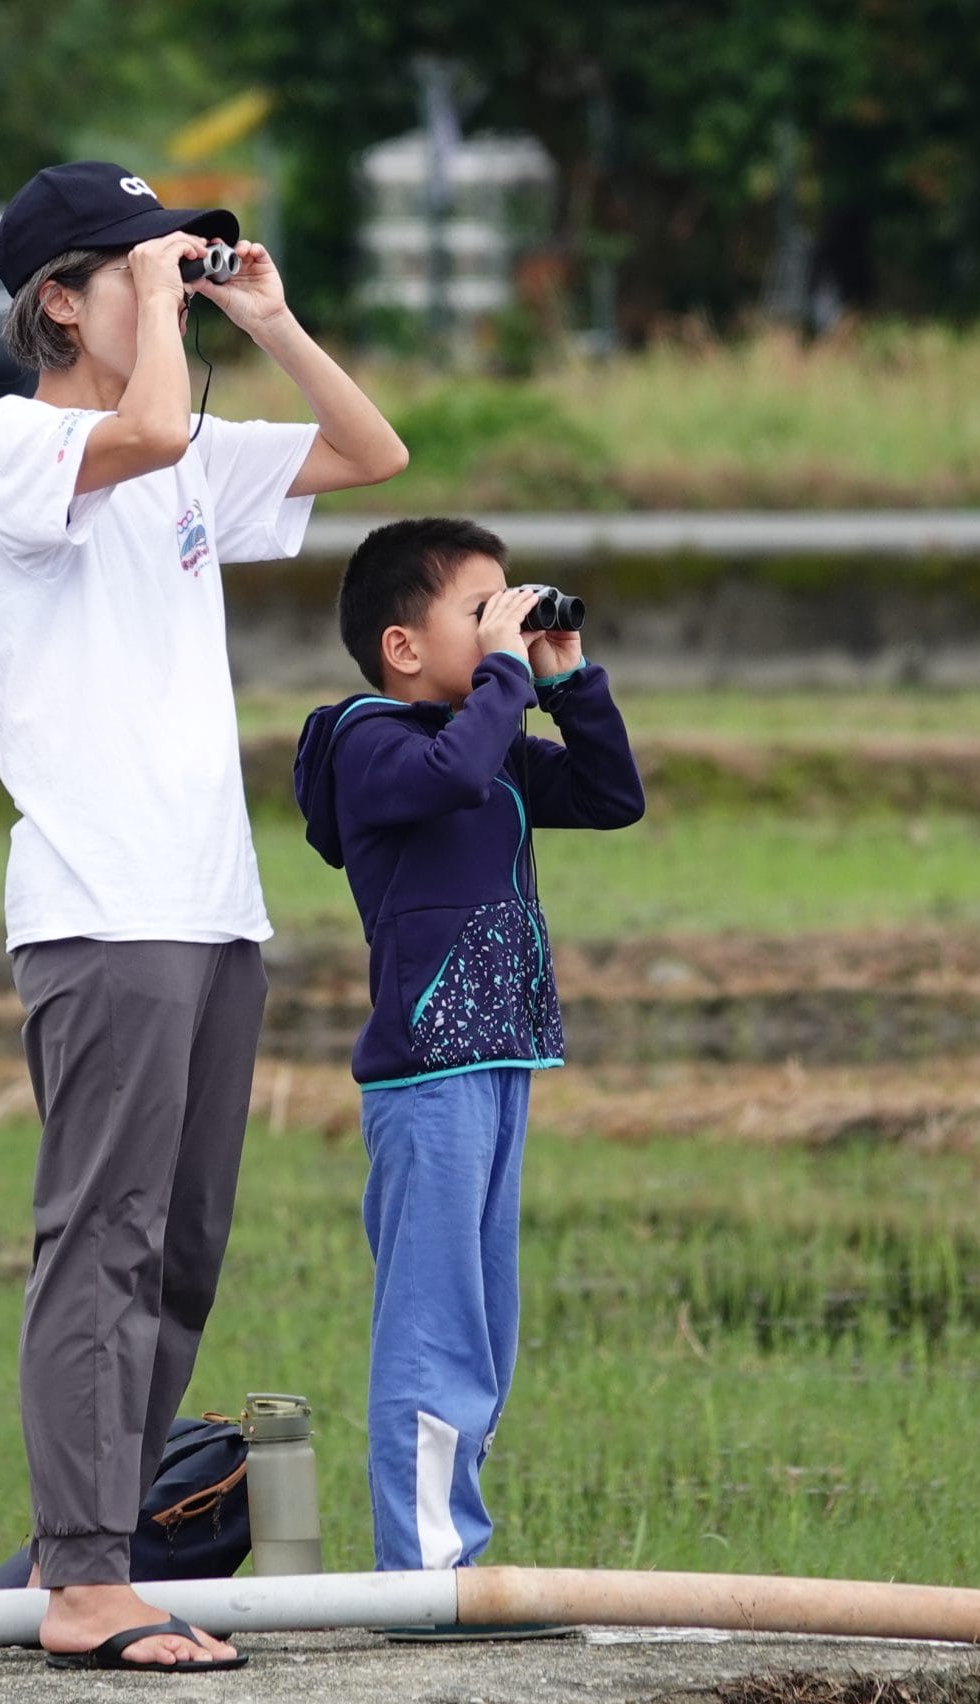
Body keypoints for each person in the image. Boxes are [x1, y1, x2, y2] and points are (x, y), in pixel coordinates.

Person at [0, 161, 408, 1674]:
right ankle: (85, 1576)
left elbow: (370, 449)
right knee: (104, 1237)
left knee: (187, 1248)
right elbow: (141, 426)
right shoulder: (14, 444)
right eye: (126, 269)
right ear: (57, 300)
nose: (163, 287)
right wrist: (160, 284)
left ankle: (90, 1551)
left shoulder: (183, 452)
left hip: (213, 906)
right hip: (103, 905)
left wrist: (263, 315)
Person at [291, 518, 644, 1586]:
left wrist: (564, 674)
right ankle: (426, 1572)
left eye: (511, 605)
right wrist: (501, 674)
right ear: (403, 646)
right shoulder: (366, 740)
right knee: (434, 1328)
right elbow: (447, 774)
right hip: (426, 1073)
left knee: (485, 1328)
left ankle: (454, 1555)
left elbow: (612, 794)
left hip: (497, 1064)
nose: (507, 624)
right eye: (479, 609)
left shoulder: (488, 749)